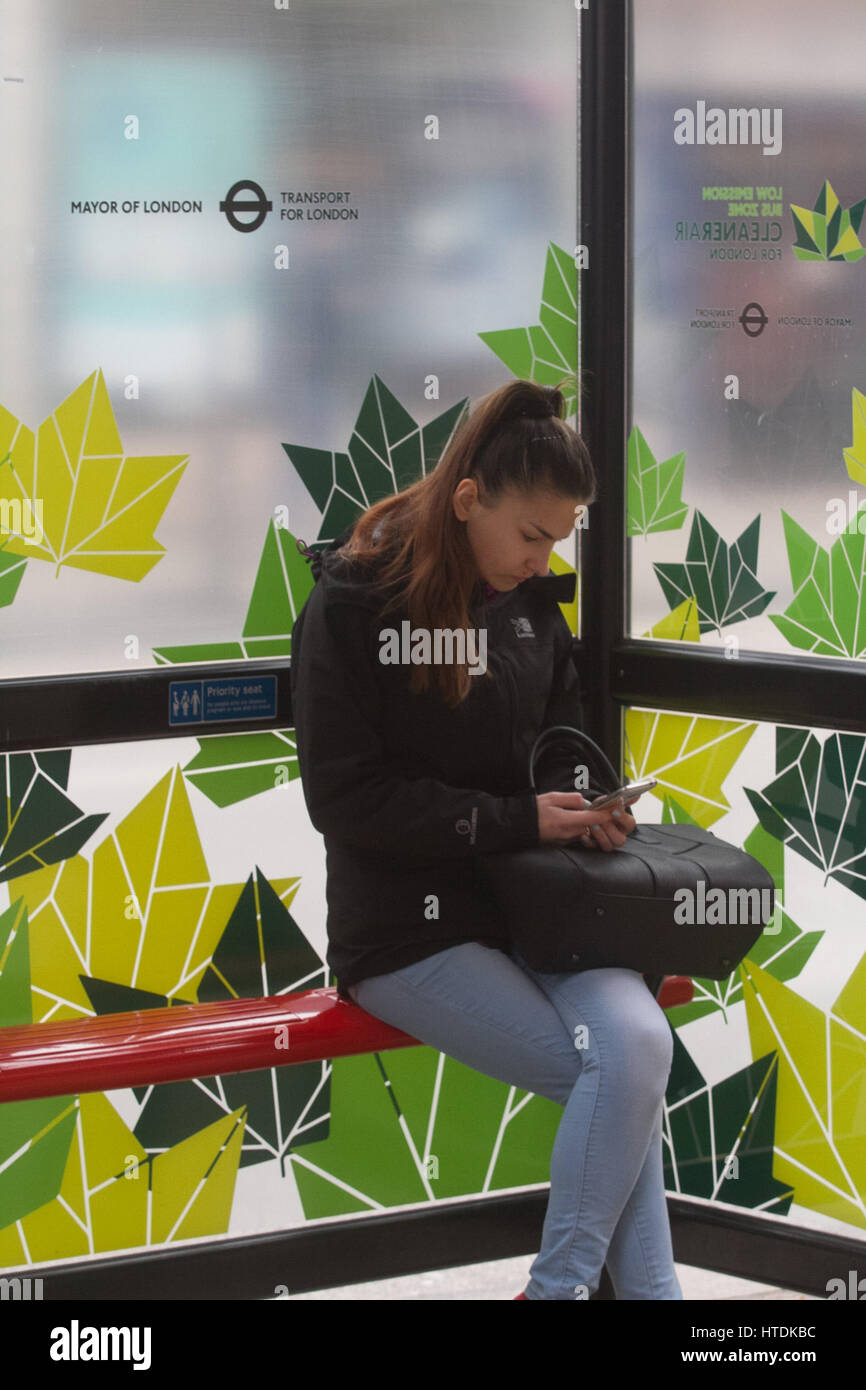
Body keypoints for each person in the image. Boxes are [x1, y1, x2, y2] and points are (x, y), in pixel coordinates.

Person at [289, 377, 681, 1301]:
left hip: (542, 909)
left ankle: (559, 1291)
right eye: (533, 536)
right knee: (619, 1079)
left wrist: (586, 805)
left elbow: (563, 747)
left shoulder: (530, 606)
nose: (546, 561)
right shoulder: (354, 607)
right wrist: (516, 819)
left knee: (638, 1047)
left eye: (560, 539)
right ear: (469, 502)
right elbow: (346, 800)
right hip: (408, 932)